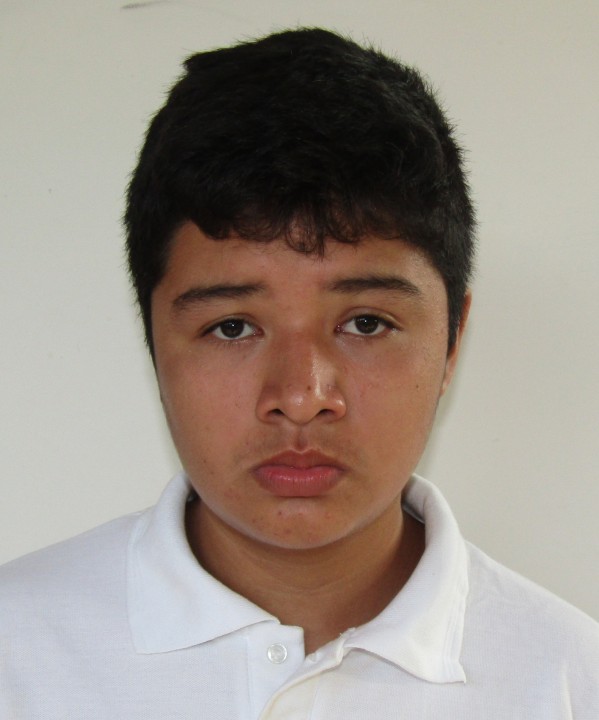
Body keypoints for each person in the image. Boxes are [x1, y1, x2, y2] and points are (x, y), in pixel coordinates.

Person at [1, 27, 597, 719]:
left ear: (452, 340)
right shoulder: (18, 656)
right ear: (154, 340)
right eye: (232, 327)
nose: (301, 397)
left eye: (366, 323)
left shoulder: (568, 682)